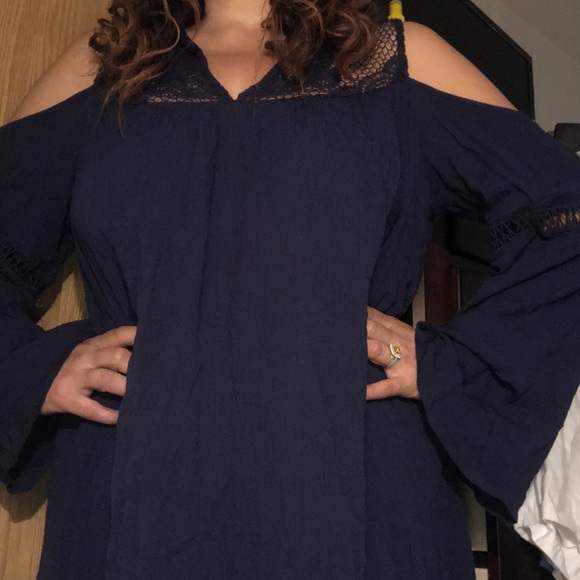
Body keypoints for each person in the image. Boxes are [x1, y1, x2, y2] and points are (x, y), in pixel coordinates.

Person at [1, 0, 579, 578]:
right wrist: (36, 371)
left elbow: (567, 225)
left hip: (363, 487)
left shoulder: (394, 63)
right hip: (128, 491)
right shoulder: (107, 65)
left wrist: (447, 365)